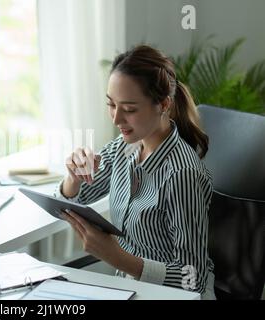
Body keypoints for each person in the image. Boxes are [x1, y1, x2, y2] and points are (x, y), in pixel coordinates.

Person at [56, 45, 216, 299]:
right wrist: (73, 177)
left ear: (163, 105)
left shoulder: (182, 174)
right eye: (111, 105)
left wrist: (118, 258)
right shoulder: (125, 147)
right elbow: (76, 197)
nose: (116, 119)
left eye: (129, 109)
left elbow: (192, 278)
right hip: (129, 290)